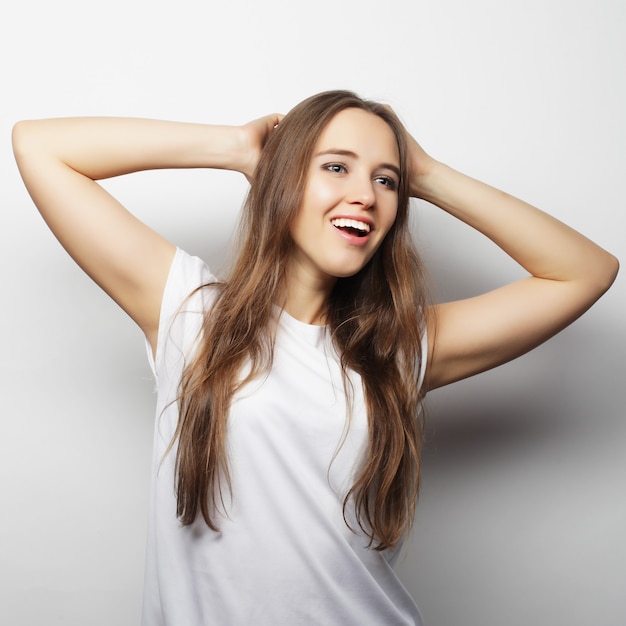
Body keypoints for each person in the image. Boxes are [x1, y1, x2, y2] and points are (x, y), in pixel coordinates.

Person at [12, 90, 618, 625]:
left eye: (385, 180)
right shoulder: (190, 316)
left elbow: (585, 271)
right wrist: (235, 148)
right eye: (336, 167)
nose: (366, 195)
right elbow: (40, 146)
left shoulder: (399, 350)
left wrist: (427, 173)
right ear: (284, 182)